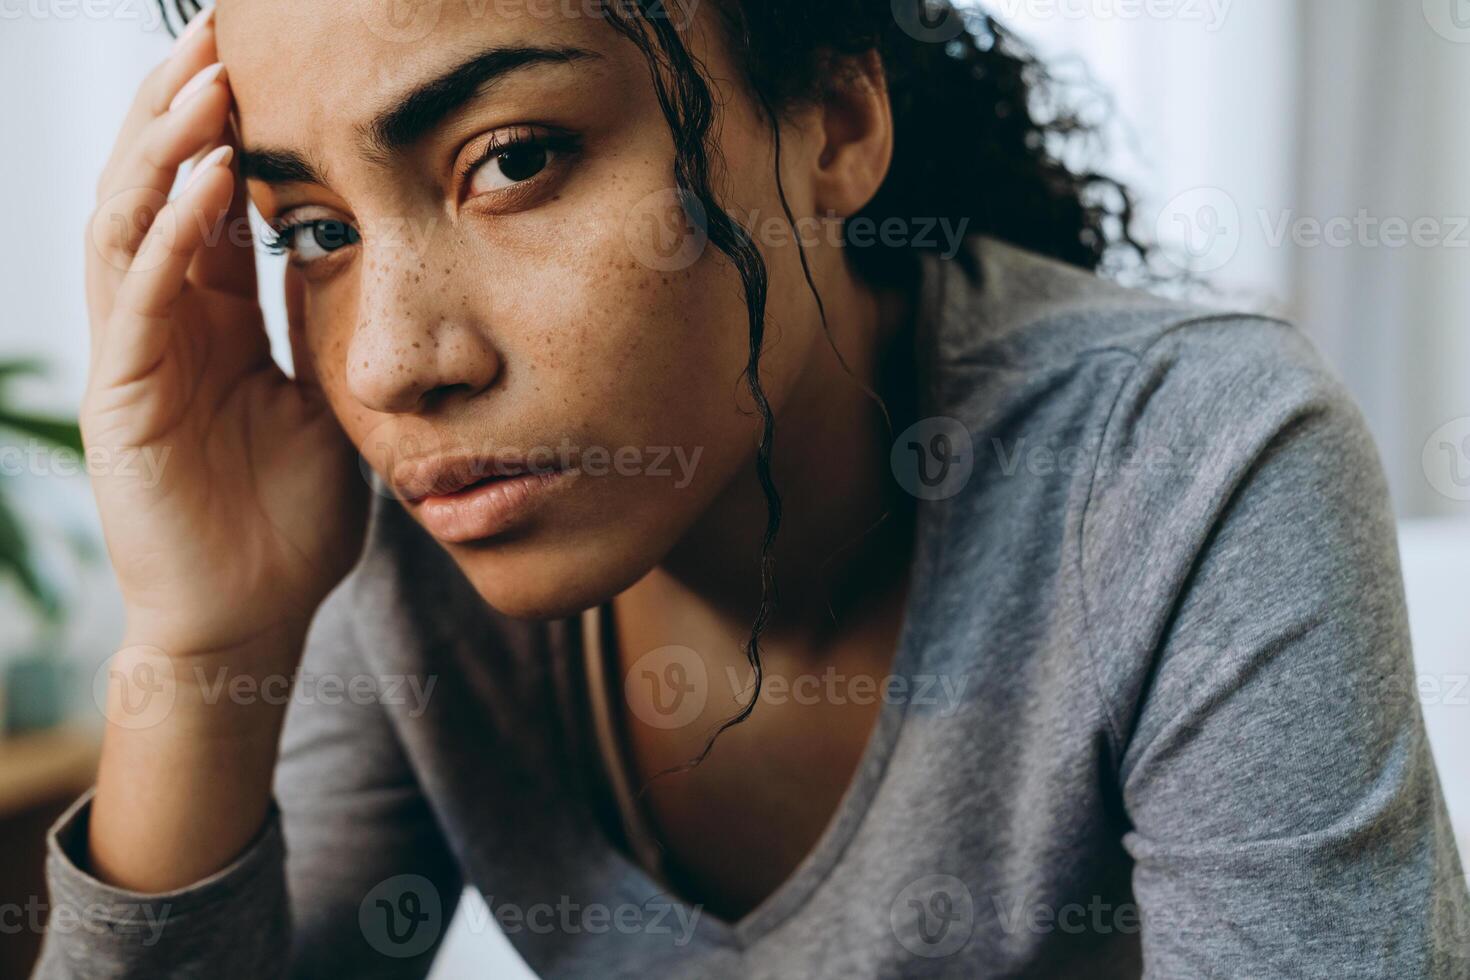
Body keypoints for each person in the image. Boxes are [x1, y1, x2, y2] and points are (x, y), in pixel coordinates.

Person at [38, 0, 1470, 976]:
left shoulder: (1183, 457)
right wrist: (203, 645)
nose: (399, 365)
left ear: (836, 124)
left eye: (516, 159)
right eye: (311, 232)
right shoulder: (416, 539)